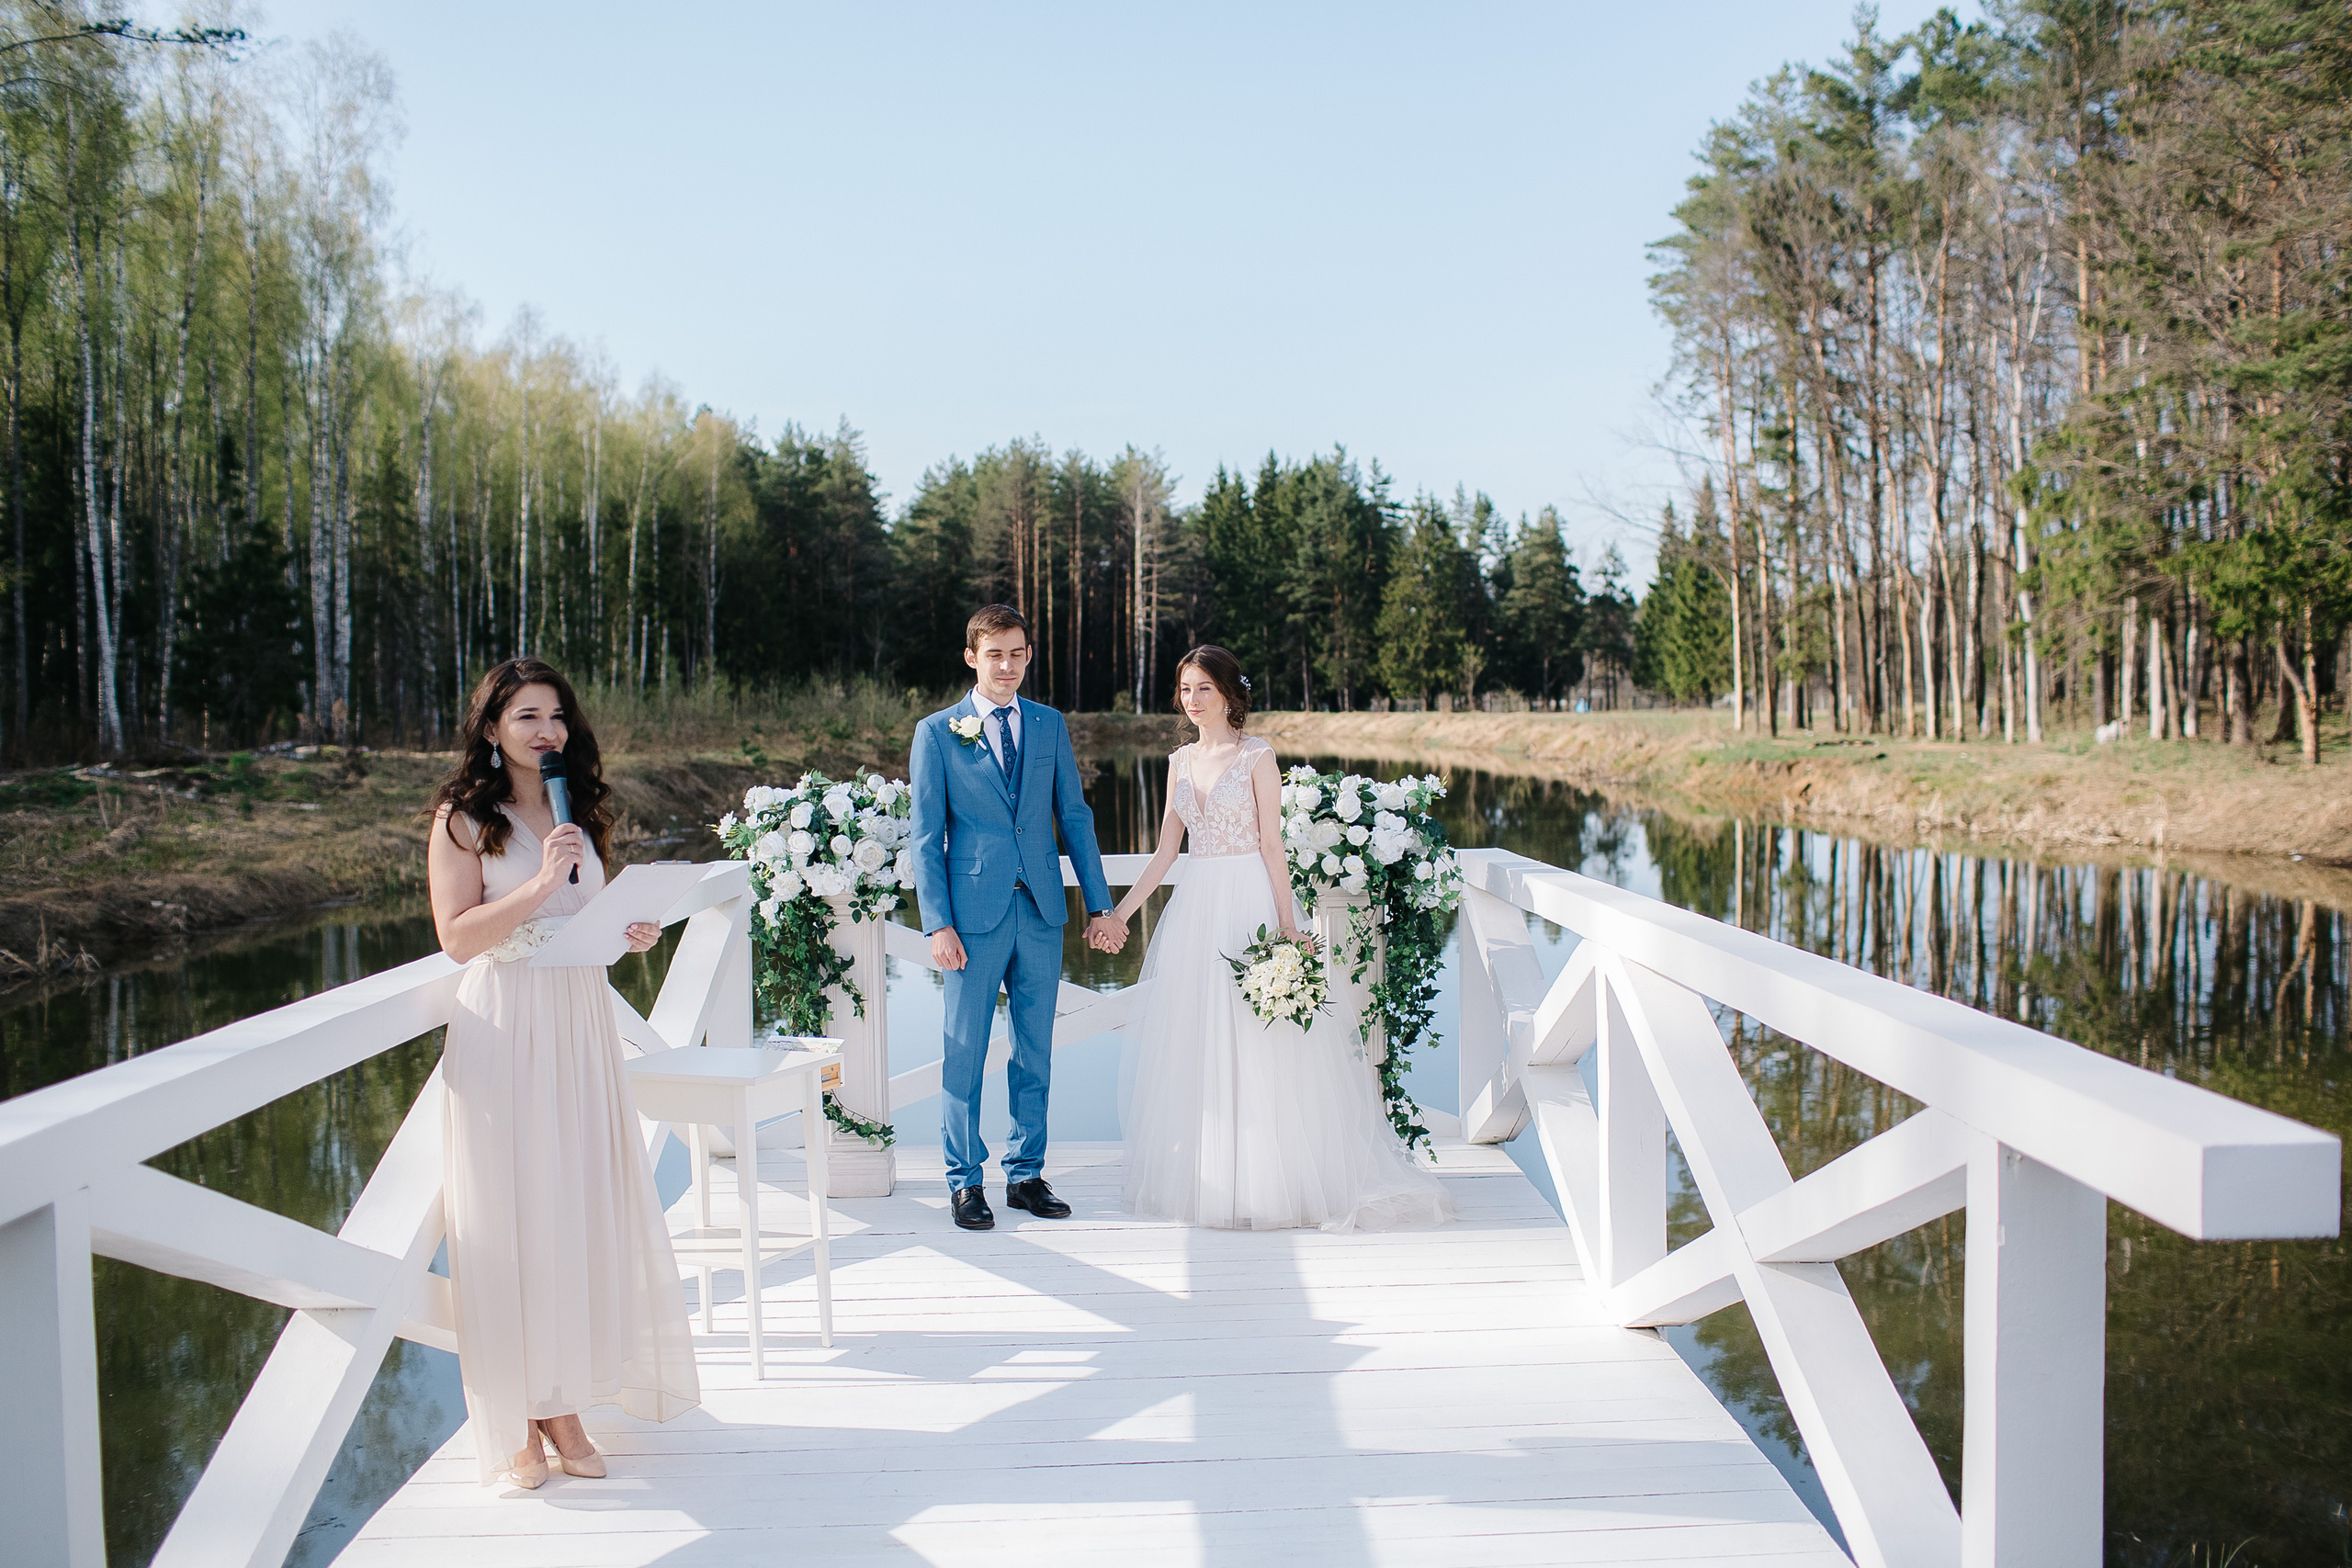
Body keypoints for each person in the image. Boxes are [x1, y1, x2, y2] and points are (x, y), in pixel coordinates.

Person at [426, 657, 699, 1490]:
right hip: (508, 1025)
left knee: (573, 1212)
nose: (546, 730)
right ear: (491, 728)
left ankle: (563, 1403)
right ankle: (516, 1413)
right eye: (526, 717)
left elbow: (582, 918)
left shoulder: (574, 803)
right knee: (513, 1216)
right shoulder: (463, 818)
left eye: (555, 716)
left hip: (580, 1025)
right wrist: (543, 879)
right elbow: (457, 937)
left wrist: (629, 929)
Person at [1102, 647, 1453, 1233]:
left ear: (1229, 694)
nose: (1192, 700)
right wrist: (1119, 913)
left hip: (1248, 903)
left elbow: (1272, 846)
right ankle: (1213, 1178)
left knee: (1259, 1040)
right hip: (1197, 907)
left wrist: (1289, 926)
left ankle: (1270, 1181)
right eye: (1185, 689)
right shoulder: (1179, 761)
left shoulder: (1257, 756)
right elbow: (1165, 851)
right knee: (1200, 1038)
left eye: (1204, 688)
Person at [910, 604, 1124, 1231]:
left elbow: (1074, 818)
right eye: (995, 654)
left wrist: (1100, 903)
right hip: (971, 917)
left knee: (1035, 1052)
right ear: (971, 657)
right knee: (964, 1052)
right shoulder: (937, 732)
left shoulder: (1049, 724)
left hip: (1040, 912)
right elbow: (925, 838)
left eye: (1017, 653)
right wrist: (937, 923)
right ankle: (964, 1181)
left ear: (1028, 656)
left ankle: (1026, 1174)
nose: (1007, 665)